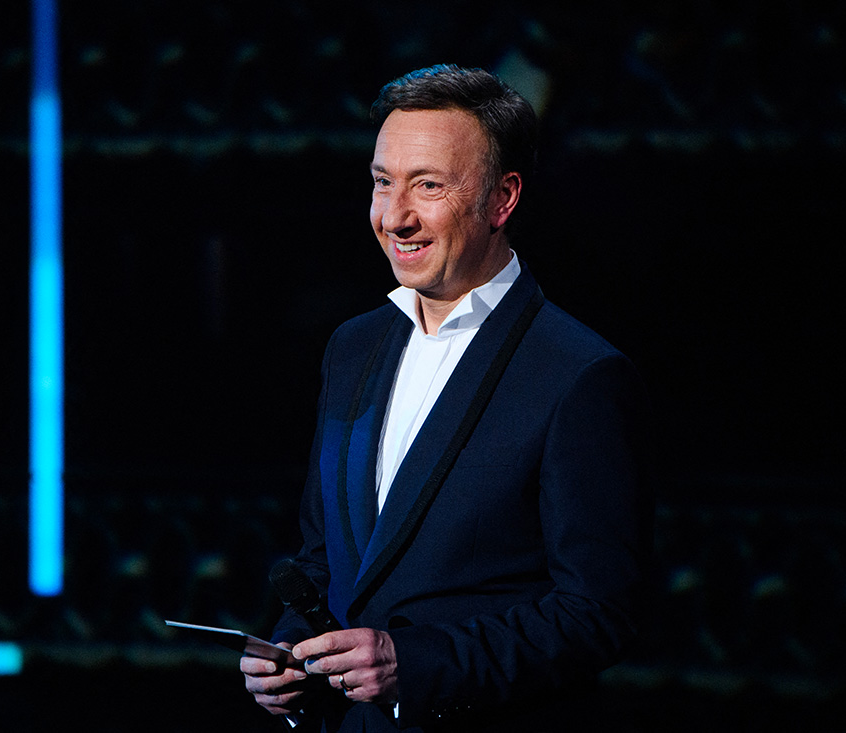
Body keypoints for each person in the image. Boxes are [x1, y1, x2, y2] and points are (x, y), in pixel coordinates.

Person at [241, 63, 650, 732]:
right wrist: (289, 651)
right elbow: (325, 560)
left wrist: (416, 663)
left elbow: (597, 613)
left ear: (502, 199)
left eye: (427, 185)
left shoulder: (579, 374)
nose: (394, 217)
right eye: (383, 182)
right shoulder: (351, 348)